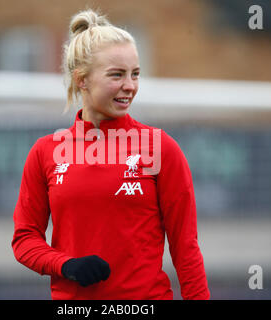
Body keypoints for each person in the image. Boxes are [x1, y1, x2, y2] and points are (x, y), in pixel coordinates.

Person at [12, 8, 210, 300]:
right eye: (116, 75)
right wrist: (65, 265)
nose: (129, 86)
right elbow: (24, 240)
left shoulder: (160, 148)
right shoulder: (45, 152)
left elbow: (186, 247)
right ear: (82, 79)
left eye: (135, 74)